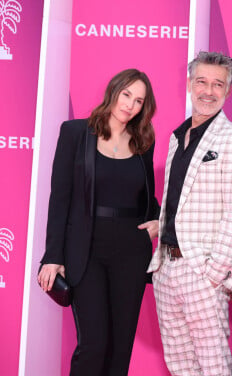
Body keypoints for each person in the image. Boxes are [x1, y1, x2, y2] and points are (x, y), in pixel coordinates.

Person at [38, 68, 159, 376]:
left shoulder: (144, 140)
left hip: (131, 251)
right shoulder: (76, 133)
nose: (130, 105)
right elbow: (60, 197)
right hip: (86, 249)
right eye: (126, 95)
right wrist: (53, 256)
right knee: (94, 343)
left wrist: (160, 220)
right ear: (114, 91)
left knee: (120, 348)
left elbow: (148, 197)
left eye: (139, 100)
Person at [147, 51, 232, 376]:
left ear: (227, 90)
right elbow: (176, 201)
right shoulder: (175, 138)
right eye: (202, 82)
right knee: (180, 366)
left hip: (202, 272)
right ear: (189, 84)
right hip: (166, 268)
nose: (208, 91)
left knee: (213, 368)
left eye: (217, 84)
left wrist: (213, 274)